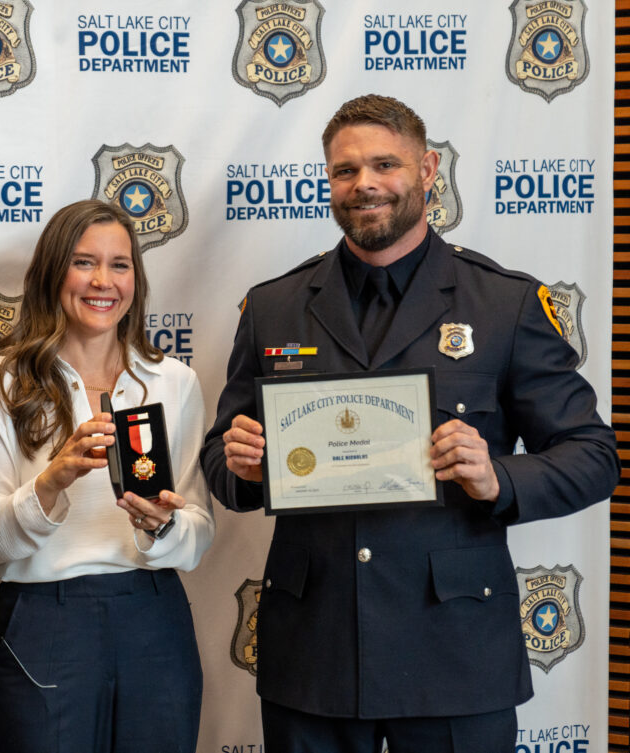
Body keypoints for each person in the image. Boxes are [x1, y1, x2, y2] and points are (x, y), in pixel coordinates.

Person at [201, 94, 619, 753]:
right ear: (329, 182)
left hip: (454, 654)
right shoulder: (275, 307)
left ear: (426, 170)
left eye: (384, 164)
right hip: (316, 657)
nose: (364, 183)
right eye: (344, 171)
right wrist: (243, 467)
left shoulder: (505, 304)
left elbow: (594, 455)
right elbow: (221, 464)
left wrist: (497, 478)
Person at [0, 199, 214, 752]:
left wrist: (165, 527)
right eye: (84, 262)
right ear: (53, 272)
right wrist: (49, 484)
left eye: (119, 265)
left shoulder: (175, 381)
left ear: (136, 280)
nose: (103, 281)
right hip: (44, 620)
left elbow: (198, 536)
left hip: (154, 614)